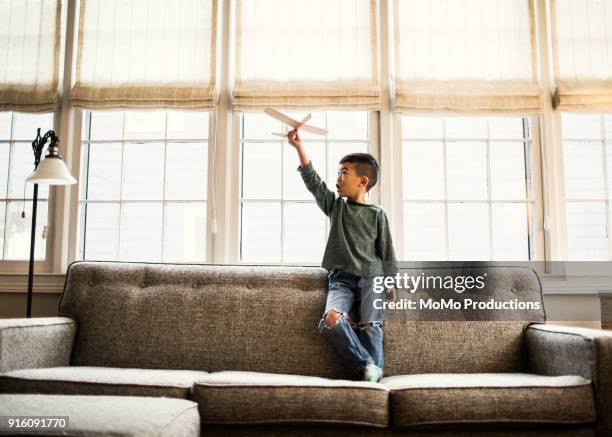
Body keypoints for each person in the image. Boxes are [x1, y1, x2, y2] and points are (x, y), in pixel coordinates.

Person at [287, 128, 398, 383]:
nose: (337, 178)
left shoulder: (377, 214)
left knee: (372, 326)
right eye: (337, 173)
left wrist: (390, 281)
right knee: (332, 319)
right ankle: (369, 367)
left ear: (363, 181)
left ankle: (373, 383)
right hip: (341, 279)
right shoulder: (336, 207)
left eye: (343, 173)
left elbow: (387, 253)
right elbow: (314, 183)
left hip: (372, 279)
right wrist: (299, 147)